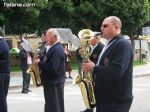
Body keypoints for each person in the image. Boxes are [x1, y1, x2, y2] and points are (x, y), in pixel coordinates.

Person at [83, 16, 133, 112]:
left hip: (115, 102)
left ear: (116, 27)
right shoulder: (110, 43)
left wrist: (94, 68)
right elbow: (104, 65)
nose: (101, 29)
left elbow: (116, 72)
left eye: (105, 26)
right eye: (101, 26)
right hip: (107, 99)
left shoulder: (123, 45)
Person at [34, 28, 65, 112]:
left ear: (54, 36)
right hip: (51, 83)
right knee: (50, 106)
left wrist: (39, 63)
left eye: (47, 36)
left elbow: (53, 69)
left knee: (55, 107)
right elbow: (47, 60)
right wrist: (39, 59)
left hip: (54, 83)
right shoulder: (52, 48)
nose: (45, 38)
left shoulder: (57, 49)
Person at [80, 34, 104, 112]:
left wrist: (90, 65)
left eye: (91, 38)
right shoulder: (90, 46)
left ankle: (91, 108)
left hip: (95, 73)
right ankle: (89, 107)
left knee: (93, 92)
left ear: (97, 39)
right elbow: (85, 57)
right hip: (89, 72)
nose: (89, 40)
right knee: (89, 91)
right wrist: (81, 53)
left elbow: (99, 62)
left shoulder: (101, 47)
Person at [0, 27, 10, 112]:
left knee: (1, 98)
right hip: (4, 73)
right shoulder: (3, 42)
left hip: (2, 74)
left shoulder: (1, 44)